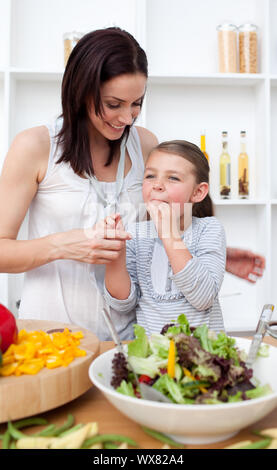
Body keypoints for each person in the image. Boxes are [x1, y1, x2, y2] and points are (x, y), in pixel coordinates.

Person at [0, 27, 265, 340]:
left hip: (130, 338)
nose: (127, 118)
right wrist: (64, 245)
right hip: (53, 334)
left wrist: (206, 253)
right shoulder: (35, 145)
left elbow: (158, 226)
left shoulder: (145, 144)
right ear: (81, 91)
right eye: (114, 104)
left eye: (136, 103)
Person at [104, 140, 226, 335]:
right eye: (150, 175)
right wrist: (116, 255)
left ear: (198, 192)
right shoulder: (136, 233)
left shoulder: (209, 229)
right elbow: (123, 304)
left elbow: (203, 298)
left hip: (204, 355)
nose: (158, 185)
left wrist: (168, 233)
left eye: (173, 178)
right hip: (154, 358)